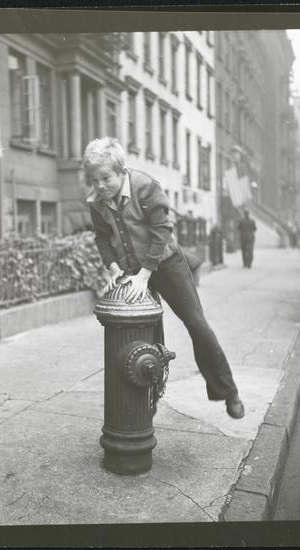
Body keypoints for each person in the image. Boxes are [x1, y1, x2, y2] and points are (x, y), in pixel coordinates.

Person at [84, 137, 244, 419]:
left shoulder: (145, 187)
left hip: (167, 265)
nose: (100, 186)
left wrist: (146, 274)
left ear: (121, 171)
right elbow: (103, 237)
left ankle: (228, 391)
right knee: (146, 336)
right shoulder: (97, 200)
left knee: (196, 324)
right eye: (94, 180)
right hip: (131, 272)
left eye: (106, 178)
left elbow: (162, 230)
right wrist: (114, 268)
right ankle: (149, 400)